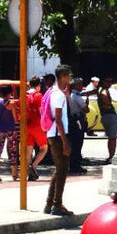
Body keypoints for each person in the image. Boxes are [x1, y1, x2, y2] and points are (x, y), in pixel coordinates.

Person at [44, 65, 73, 217]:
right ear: (63, 77)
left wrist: (67, 96)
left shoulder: (56, 92)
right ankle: (57, 204)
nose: (70, 78)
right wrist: (65, 142)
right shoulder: (58, 95)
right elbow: (58, 119)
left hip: (54, 135)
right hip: (57, 136)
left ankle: (50, 203)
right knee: (62, 171)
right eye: (69, 76)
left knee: (59, 169)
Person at [0, 85, 19, 182]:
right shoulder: (11, 104)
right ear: (9, 93)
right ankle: (14, 173)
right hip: (10, 129)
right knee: (13, 151)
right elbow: (15, 118)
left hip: (0, 129)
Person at [24, 75, 49, 180]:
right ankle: (33, 166)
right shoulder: (38, 95)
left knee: (28, 150)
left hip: (27, 125)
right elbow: (41, 112)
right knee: (44, 148)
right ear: (39, 85)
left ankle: (29, 172)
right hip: (37, 125)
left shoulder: (25, 96)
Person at [67, 77, 88, 174]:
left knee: (74, 144)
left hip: (72, 122)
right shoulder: (76, 96)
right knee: (77, 144)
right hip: (77, 121)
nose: (82, 85)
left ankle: (73, 165)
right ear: (75, 85)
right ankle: (76, 166)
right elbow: (86, 109)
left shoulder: (71, 95)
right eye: (80, 84)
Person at [95, 76, 117, 164]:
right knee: (112, 138)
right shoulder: (103, 90)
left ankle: (110, 156)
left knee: (110, 138)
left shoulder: (99, 89)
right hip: (110, 116)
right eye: (107, 81)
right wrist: (107, 102)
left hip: (106, 116)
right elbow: (104, 95)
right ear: (103, 82)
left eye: (110, 81)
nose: (109, 83)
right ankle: (111, 157)